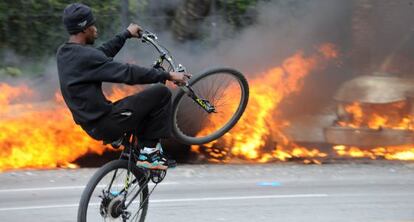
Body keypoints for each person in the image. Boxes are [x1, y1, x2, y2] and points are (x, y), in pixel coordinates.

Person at [56, 3, 190, 170]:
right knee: (161, 93)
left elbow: (99, 54)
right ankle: (149, 155)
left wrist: (126, 34)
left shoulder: (64, 53)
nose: (95, 29)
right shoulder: (86, 56)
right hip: (106, 122)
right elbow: (127, 73)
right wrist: (168, 75)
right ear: (84, 29)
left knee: (142, 109)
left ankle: (137, 158)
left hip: (91, 124)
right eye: (93, 25)